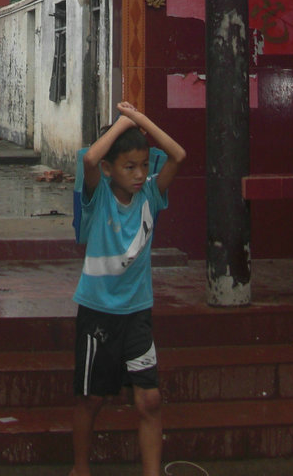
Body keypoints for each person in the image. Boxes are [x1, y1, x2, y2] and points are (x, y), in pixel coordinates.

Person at [71, 100, 186, 476]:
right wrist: (121, 124)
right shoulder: (99, 196)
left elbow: (178, 155)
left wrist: (139, 119)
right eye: (129, 166)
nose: (139, 175)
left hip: (137, 314)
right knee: (91, 399)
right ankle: (81, 468)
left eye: (143, 165)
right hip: (98, 314)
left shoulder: (151, 195)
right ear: (110, 169)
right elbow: (91, 159)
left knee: (149, 400)